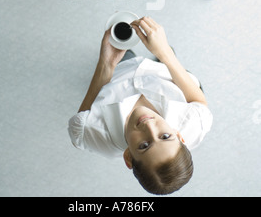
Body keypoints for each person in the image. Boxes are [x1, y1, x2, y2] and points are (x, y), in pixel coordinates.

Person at [68, 17, 213, 195]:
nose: (149, 126)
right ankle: (162, 58)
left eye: (144, 145)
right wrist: (165, 53)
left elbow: (80, 128)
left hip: (120, 73)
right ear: (179, 136)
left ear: (128, 157)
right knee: (172, 61)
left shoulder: (93, 130)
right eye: (166, 136)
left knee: (125, 54)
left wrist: (107, 64)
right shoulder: (194, 125)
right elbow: (199, 102)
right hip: (169, 77)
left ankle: (128, 56)